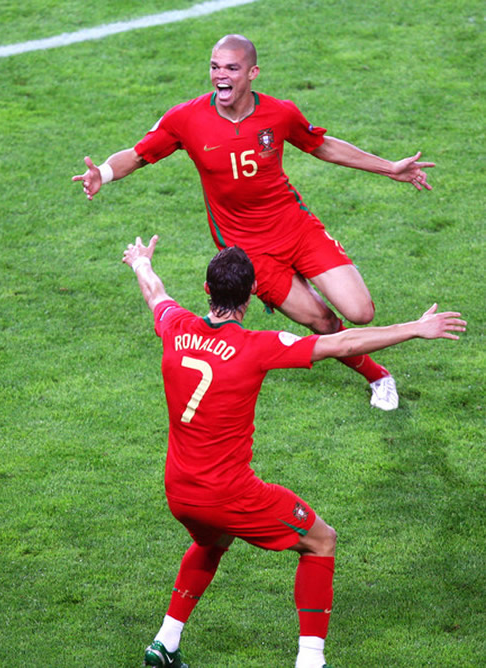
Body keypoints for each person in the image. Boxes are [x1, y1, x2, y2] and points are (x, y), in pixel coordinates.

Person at [122, 234, 465, 668]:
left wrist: (139, 262)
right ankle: (311, 661)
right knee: (321, 541)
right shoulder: (257, 347)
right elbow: (342, 343)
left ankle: (165, 644)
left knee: (211, 542)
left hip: (179, 491)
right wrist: (414, 328)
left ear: (207, 290)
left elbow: (157, 293)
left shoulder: (176, 327)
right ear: (249, 295)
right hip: (228, 494)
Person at [74, 34, 435, 411]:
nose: (220, 76)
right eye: (215, 67)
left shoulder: (280, 114)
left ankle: (319, 271)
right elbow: (137, 155)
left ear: (252, 72)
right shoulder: (186, 119)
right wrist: (102, 172)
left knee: (362, 312)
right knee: (324, 323)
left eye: (231, 68)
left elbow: (321, 146)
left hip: (297, 229)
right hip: (251, 254)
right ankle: (379, 376)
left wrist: (388, 167)